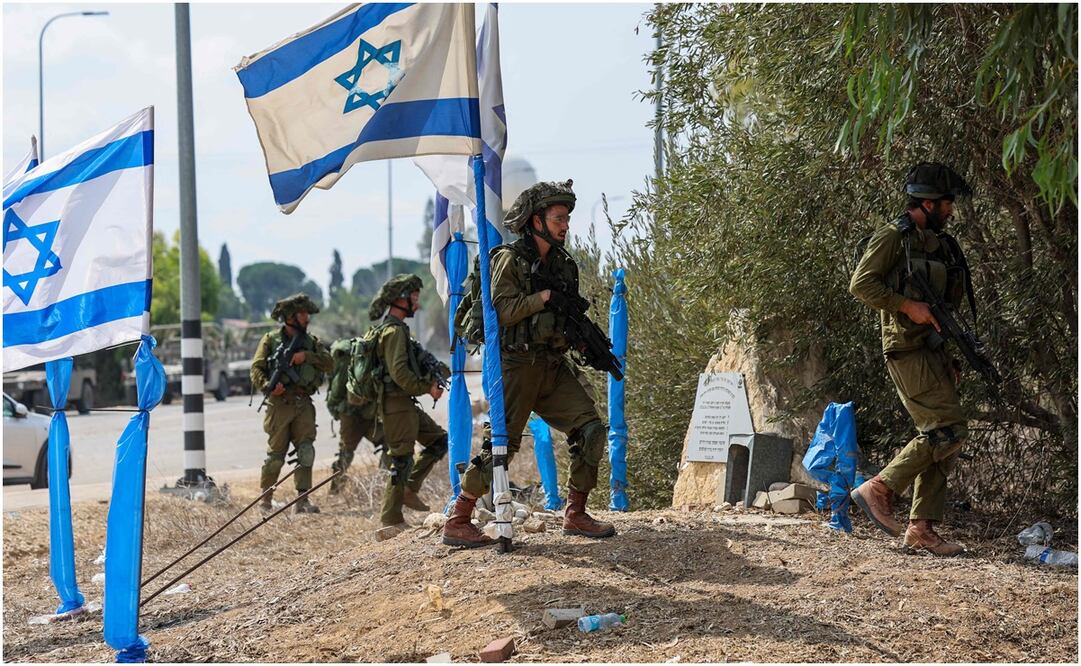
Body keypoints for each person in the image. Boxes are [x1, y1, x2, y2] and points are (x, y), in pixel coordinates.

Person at [443, 179, 616, 548]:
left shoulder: (562, 265)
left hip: (551, 366)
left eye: (567, 218)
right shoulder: (508, 259)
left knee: (591, 430)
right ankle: (459, 518)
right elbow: (500, 310)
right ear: (535, 221)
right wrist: (544, 297)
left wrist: (582, 342)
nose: (565, 225)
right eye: (557, 218)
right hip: (515, 366)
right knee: (501, 448)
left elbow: (563, 317)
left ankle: (576, 513)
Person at [849, 162, 975, 556]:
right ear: (927, 202)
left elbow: (944, 309)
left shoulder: (940, 244)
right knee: (947, 430)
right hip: (906, 349)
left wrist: (951, 355)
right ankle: (880, 487)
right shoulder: (893, 237)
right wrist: (905, 305)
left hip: (933, 351)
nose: (951, 211)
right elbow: (861, 283)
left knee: (946, 437)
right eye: (947, 204)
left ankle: (921, 527)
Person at [368, 274, 449, 539]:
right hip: (396, 406)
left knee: (439, 441)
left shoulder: (398, 329)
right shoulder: (392, 332)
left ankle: (409, 488)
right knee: (401, 458)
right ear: (400, 300)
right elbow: (400, 373)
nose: (417, 301)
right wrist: (426, 387)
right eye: (413, 296)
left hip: (404, 404)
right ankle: (390, 518)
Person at [250, 293, 333, 514]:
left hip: (303, 404)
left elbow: (329, 362)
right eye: (302, 314)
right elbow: (256, 369)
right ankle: (265, 500)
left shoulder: (310, 343)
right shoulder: (270, 340)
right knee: (275, 455)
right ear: (290, 317)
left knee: (306, 452)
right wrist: (268, 384)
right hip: (279, 404)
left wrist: (306, 357)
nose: (307, 318)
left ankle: (302, 500)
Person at [326, 338, 386, 495]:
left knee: (345, 452)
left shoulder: (348, 364)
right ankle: (381, 483)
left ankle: (336, 490)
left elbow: (337, 388)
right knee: (387, 443)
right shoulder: (368, 361)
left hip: (352, 415)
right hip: (366, 415)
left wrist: (334, 408)